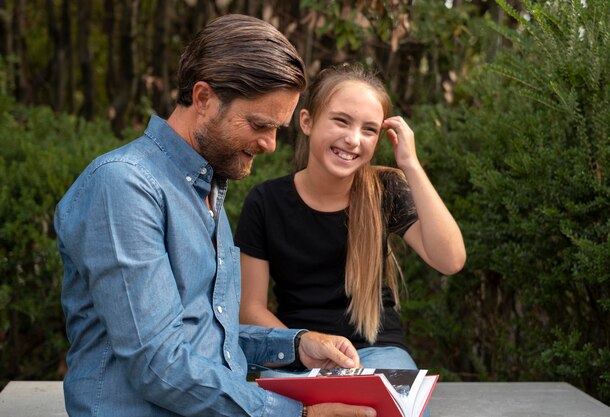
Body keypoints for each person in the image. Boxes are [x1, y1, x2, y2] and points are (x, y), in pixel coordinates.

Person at [54, 15, 376, 417]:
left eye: (278, 128)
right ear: (203, 98)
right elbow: (158, 362)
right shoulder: (124, 186)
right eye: (260, 124)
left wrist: (296, 344)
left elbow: (205, 339)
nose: (271, 145)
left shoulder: (205, 188)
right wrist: (299, 414)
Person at [235, 63, 466, 376]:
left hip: (377, 350)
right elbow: (250, 310)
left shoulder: (386, 189)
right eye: (341, 121)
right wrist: (302, 344)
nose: (353, 139)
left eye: (369, 129)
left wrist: (411, 164)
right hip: (298, 352)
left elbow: (449, 260)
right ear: (307, 121)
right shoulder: (265, 202)